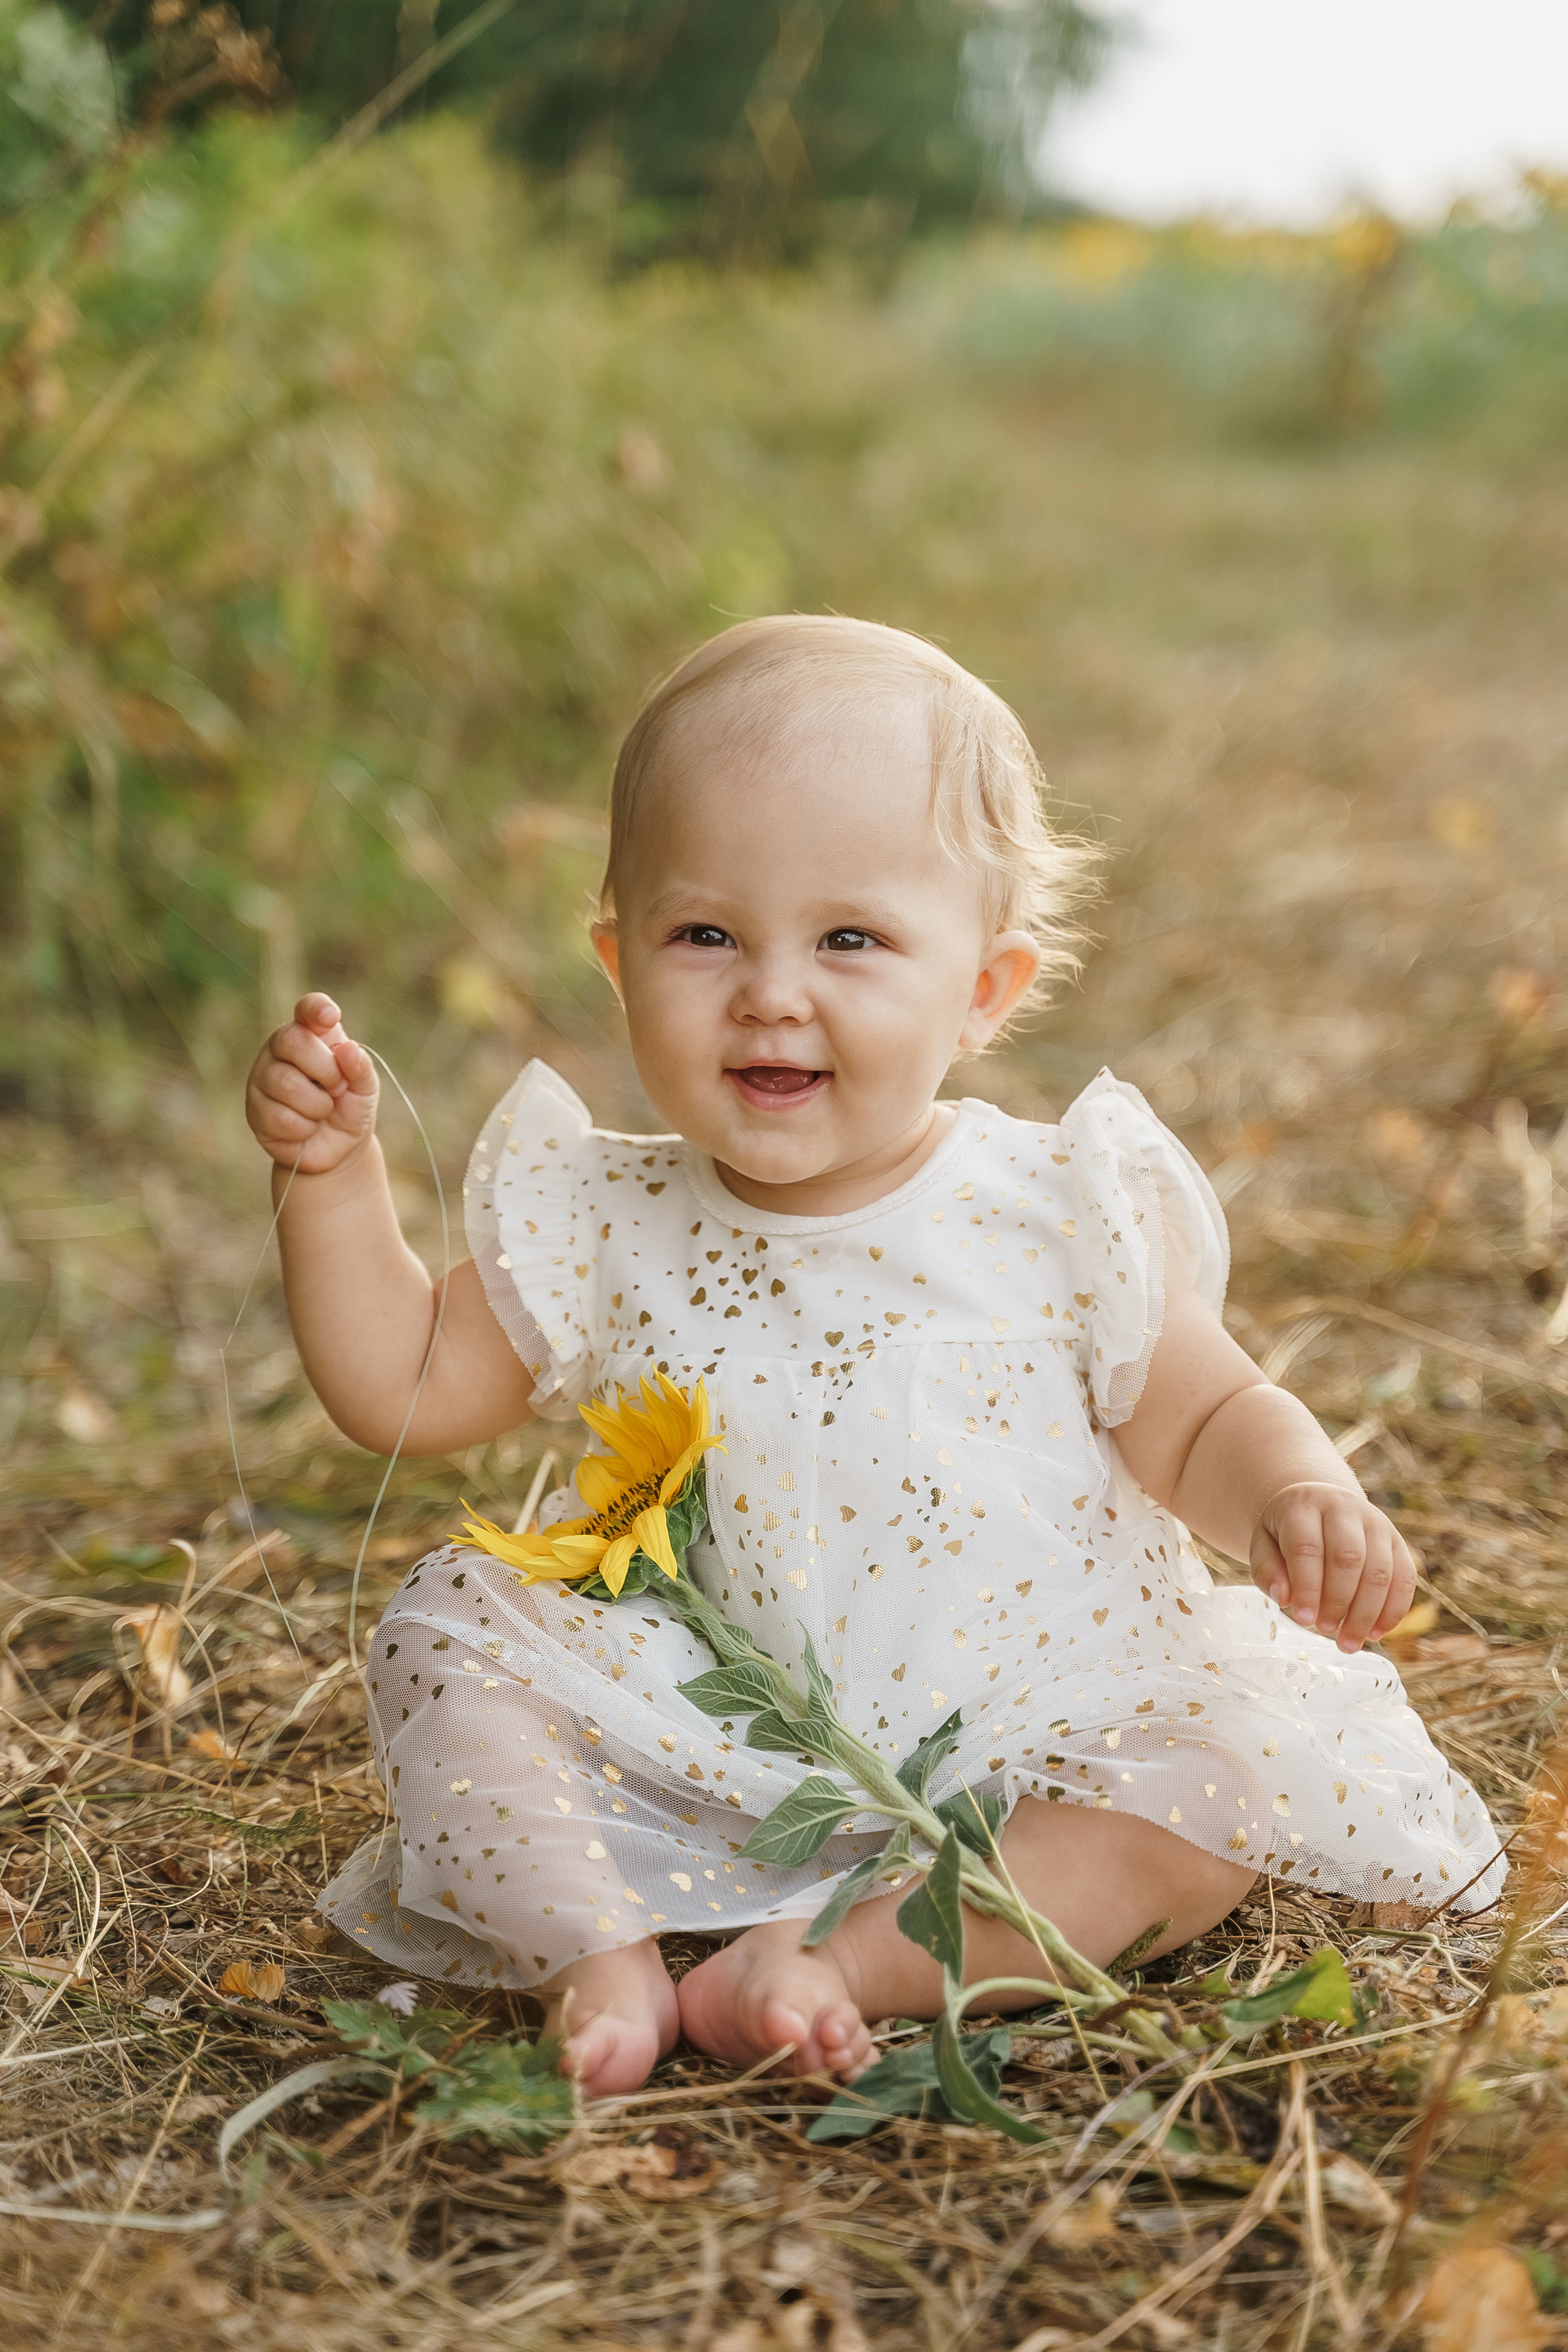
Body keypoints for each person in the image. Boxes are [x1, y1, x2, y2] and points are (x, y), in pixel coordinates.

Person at [245, 615, 1504, 2098]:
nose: (772, 991)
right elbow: (401, 1387)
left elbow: (1203, 1409)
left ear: (983, 988)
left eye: (848, 939)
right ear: (618, 962)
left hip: (1034, 1729)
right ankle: (594, 1953)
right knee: (449, 1631)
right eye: (704, 935)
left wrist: (1292, 1492)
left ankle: (839, 1963)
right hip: (700, 1717)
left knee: (1206, 1793)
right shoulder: (604, 1214)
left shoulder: (1051, 1209)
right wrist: (329, 1181)